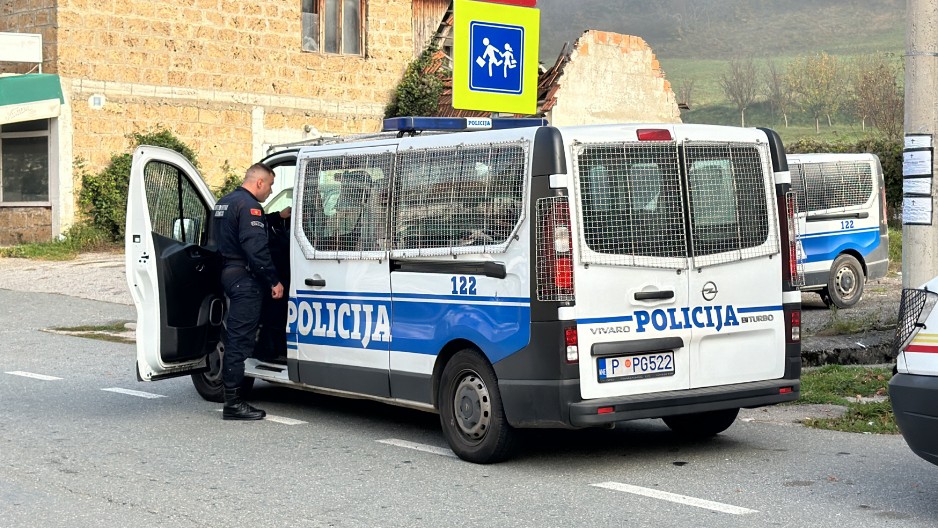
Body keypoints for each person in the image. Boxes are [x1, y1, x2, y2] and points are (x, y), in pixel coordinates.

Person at [212, 162, 284, 420]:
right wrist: (273, 280)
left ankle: (234, 397)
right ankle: (233, 403)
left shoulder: (225, 202)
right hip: (245, 279)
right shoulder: (251, 206)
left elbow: (238, 228)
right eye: (270, 185)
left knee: (236, 335)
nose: (270, 191)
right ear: (259, 182)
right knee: (239, 340)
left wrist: (278, 217)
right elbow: (255, 247)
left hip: (229, 274)